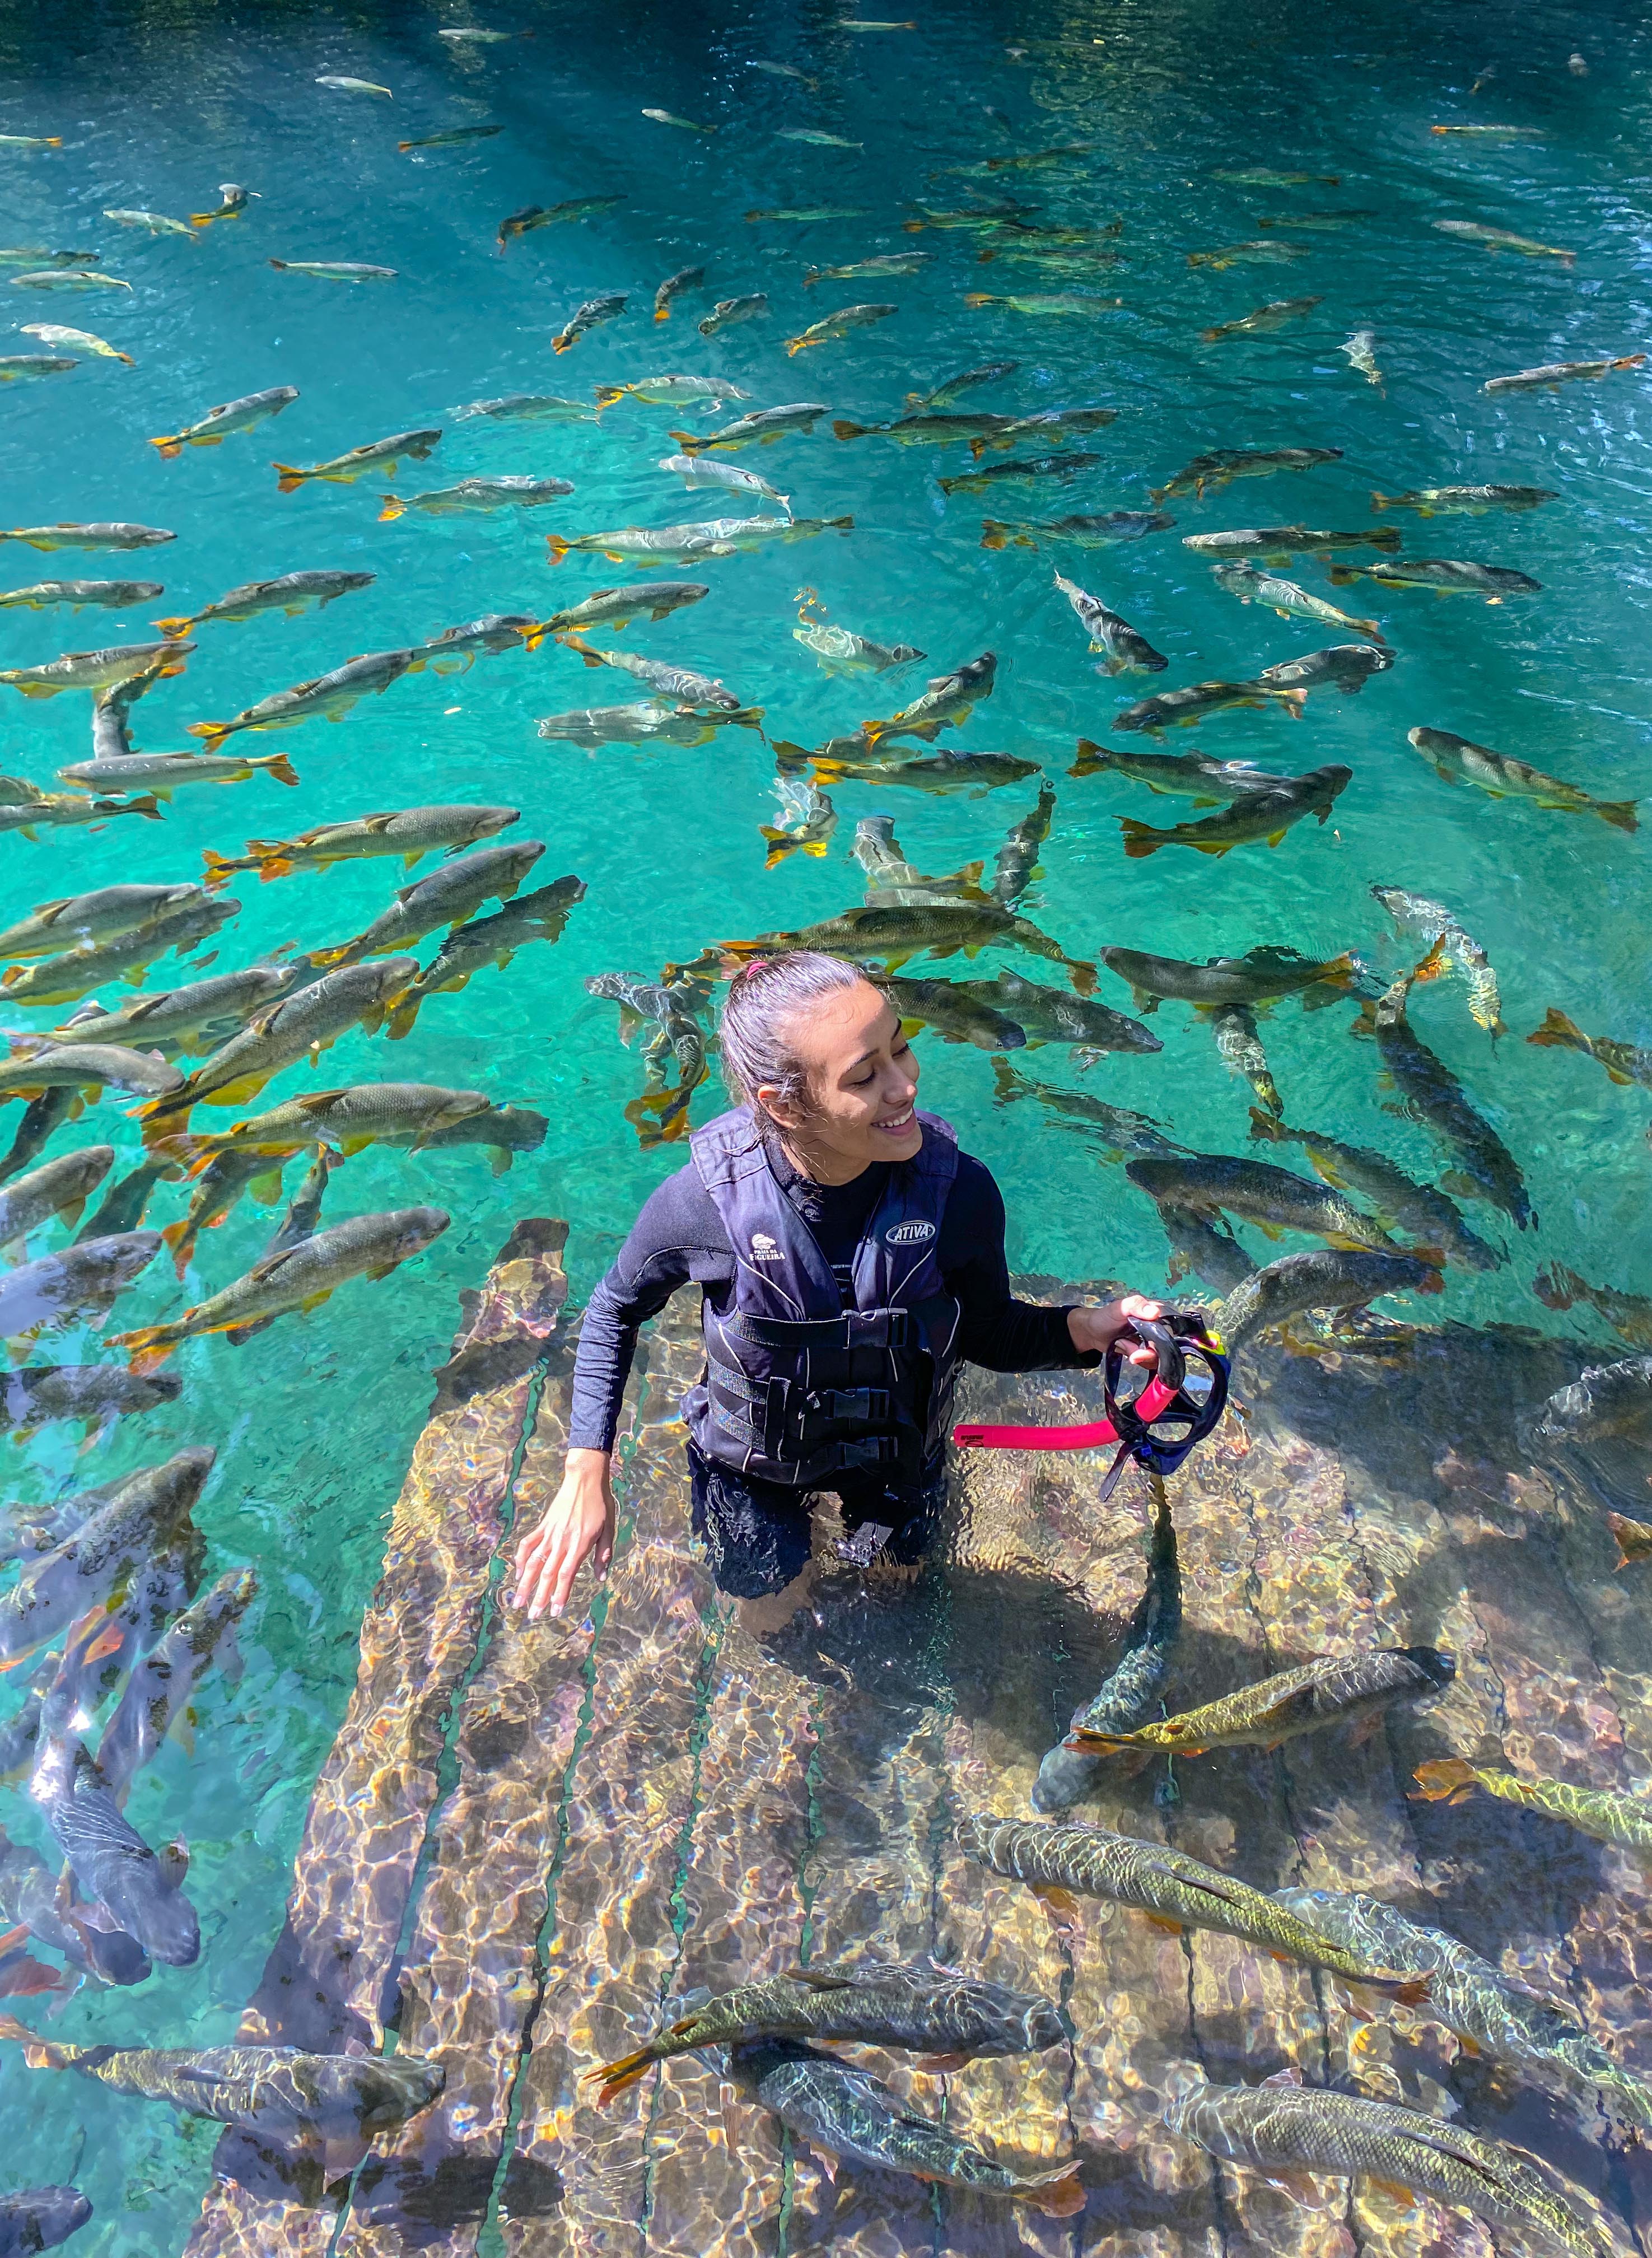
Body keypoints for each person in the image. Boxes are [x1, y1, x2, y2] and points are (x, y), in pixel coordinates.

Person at [512, 953, 1164, 1629]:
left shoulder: (959, 1194)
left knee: (897, 1596)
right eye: (865, 1075)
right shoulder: (706, 1203)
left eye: (901, 1048)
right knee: (768, 1611)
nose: (904, 1086)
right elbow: (615, 1308)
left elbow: (987, 1332)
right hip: (754, 1470)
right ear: (783, 1104)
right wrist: (586, 1472)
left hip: (898, 1460)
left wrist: (1087, 1333)